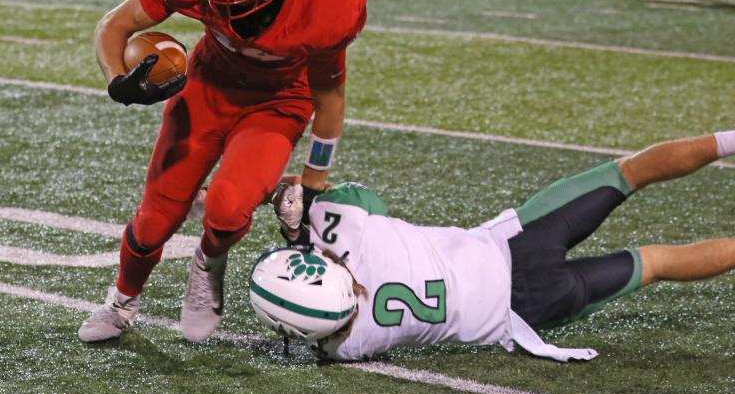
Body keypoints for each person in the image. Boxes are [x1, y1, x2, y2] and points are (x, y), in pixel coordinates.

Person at [78, 0, 368, 344]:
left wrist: (314, 178)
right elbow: (116, 24)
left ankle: (208, 261)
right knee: (155, 219)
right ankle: (121, 301)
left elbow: (329, 94)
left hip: (278, 102)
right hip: (207, 86)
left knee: (228, 207)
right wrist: (118, 80)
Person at [259, 130, 735, 361]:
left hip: (527, 312)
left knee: (654, 263)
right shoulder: (352, 232)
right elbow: (350, 196)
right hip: (515, 245)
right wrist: (297, 216)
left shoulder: (349, 346)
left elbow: (324, 333)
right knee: (628, 173)